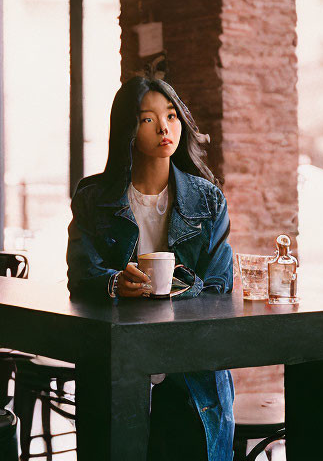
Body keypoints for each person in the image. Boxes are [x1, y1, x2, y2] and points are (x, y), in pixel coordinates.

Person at [66, 75, 234, 460]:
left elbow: (219, 286)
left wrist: (173, 288)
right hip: (117, 364)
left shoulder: (209, 200)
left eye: (172, 116)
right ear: (127, 128)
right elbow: (80, 275)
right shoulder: (94, 197)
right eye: (147, 119)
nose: (164, 128)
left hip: (191, 369)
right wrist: (115, 284)